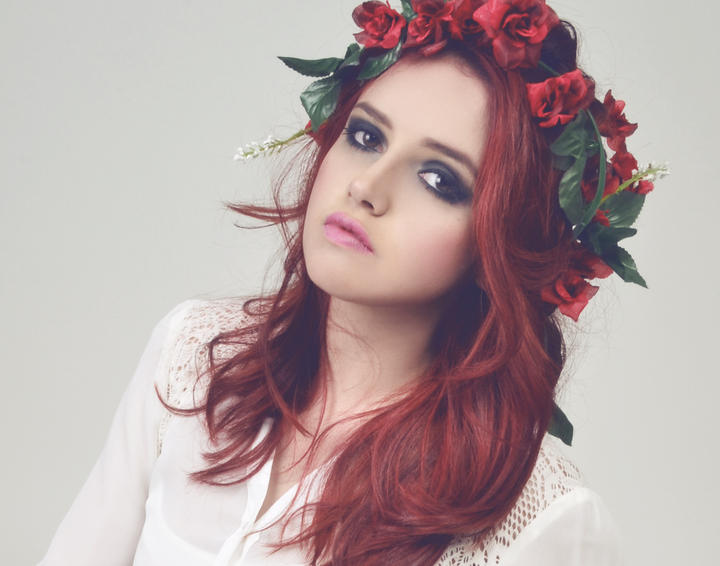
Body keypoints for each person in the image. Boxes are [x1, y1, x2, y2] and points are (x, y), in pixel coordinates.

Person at [40, 1, 665, 564]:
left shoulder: (545, 523)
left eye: (438, 179)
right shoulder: (194, 358)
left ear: (499, 244)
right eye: (365, 137)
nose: (366, 186)